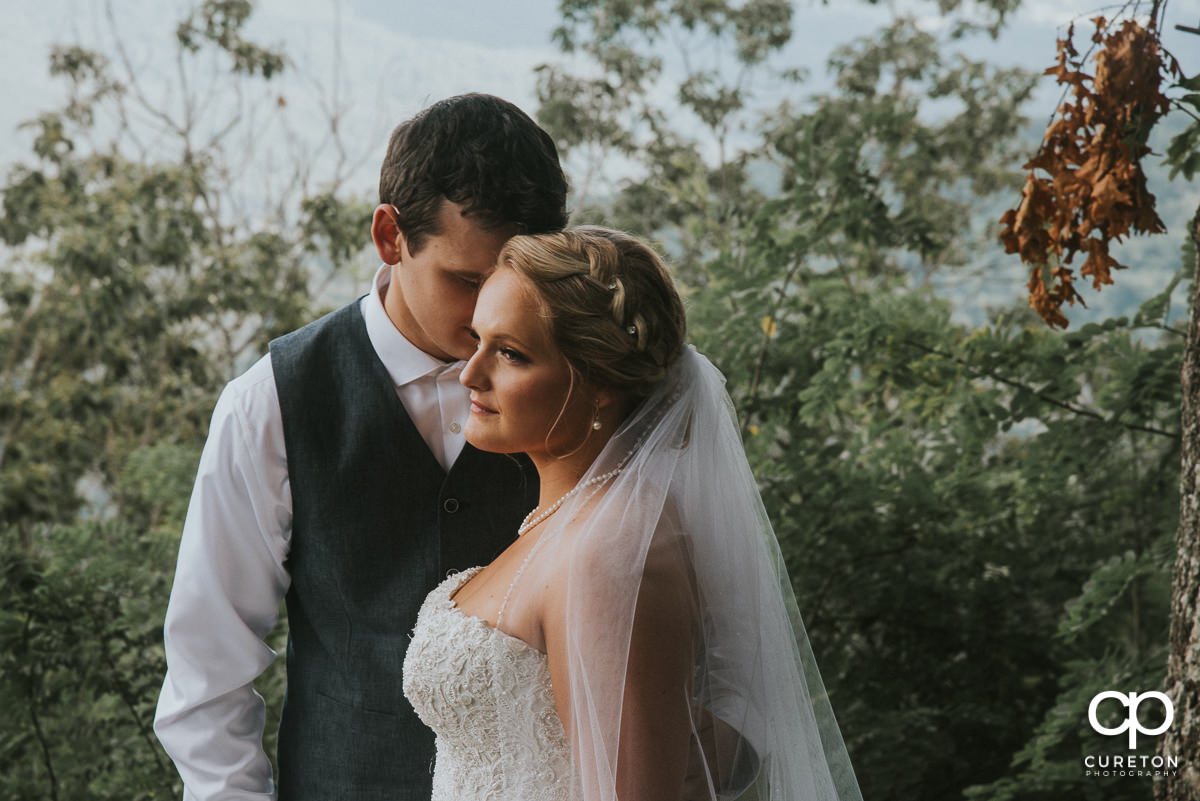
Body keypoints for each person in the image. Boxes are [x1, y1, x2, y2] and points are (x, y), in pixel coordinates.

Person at [154, 93, 568, 801]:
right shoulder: (271, 403)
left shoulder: (582, 389)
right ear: (389, 235)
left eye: (517, 280)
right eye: (467, 280)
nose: (490, 313)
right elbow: (207, 673)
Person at [402, 228, 863, 801]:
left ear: (599, 384)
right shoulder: (567, 522)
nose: (470, 374)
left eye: (511, 353)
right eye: (477, 340)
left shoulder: (610, 550)